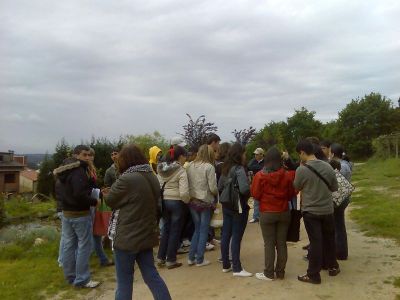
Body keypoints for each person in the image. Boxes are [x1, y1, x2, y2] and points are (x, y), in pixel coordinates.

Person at [103, 144, 171, 300]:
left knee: (124, 282)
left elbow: (112, 201)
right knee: (152, 276)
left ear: (125, 160)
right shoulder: (151, 175)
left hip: (127, 237)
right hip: (146, 234)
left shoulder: (127, 178)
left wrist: (106, 193)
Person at [53, 145, 100, 288]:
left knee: (68, 245)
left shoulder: (64, 169)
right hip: (79, 214)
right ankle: (82, 280)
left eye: (88, 155)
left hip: (67, 212)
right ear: (76, 155)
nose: (87, 157)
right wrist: (94, 200)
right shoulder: (78, 170)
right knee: (84, 246)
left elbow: (61, 191)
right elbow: (80, 194)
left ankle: (70, 277)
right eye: (84, 155)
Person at [294, 139, 340, 284]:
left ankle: (313, 274)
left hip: (311, 211)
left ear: (302, 152)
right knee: (329, 239)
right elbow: (334, 187)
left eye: (299, 154)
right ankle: (332, 266)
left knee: (315, 242)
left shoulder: (301, 169)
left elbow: (296, 187)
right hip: (327, 209)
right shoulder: (327, 166)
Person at [251, 147, 296, 281]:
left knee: (269, 243)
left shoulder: (259, 175)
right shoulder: (287, 175)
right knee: (281, 243)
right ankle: (280, 272)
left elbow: (255, 194)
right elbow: (291, 194)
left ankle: (269, 273)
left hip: (267, 211)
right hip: (283, 211)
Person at [218, 143, 252, 277]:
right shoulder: (239, 169)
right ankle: (237, 268)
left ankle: (226, 265)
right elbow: (244, 189)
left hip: (226, 204)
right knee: (236, 237)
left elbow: (220, 186)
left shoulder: (225, 168)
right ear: (240, 154)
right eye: (244, 153)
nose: (245, 155)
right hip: (238, 206)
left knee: (226, 234)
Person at [157, 145, 190, 269]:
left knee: (166, 229)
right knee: (175, 231)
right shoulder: (181, 170)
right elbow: (184, 192)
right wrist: (187, 201)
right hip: (176, 202)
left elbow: (159, 185)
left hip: (164, 201)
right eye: (185, 157)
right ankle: (171, 259)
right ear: (180, 156)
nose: (185, 159)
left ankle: (160, 257)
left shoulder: (161, 169)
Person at [186, 145, 218, 267]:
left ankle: (191, 257)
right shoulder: (209, 167)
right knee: (204, 230)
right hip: (205, 202)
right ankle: (200, 259)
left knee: (197, 229)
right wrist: (215, 194)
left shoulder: (189, 166)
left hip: (193, 201)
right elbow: (213, 188)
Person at [88, 148, 113, 267]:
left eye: (92, 155)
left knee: (96, 233)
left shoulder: (90, 168)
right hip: (90, 204)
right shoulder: (85, 170)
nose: (90, 157)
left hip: (95, 202)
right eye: (88, 155)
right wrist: (99, 193)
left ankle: (102, 258)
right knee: (91, 235)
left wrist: (100, 192)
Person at [330, 143, 352, 260]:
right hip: (344, 198)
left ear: (333, 153)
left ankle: (340, 252)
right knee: (339, 225)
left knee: (338, 226)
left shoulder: (341, 166)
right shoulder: (346, 164)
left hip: (339, 199)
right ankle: (341, 251)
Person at [247, 147, 265, 223]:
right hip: (256, 182)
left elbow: (264, 168)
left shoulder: (265, 161)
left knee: (263, 200)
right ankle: (256, 216)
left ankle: (263, 216)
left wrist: (256, 168)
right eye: (255, 154)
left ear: (262, 155)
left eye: (257, 154)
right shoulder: (253, 161)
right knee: (256, 199)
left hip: (264, 183)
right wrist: (258, 168)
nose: (255, 156)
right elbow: (249, 167)